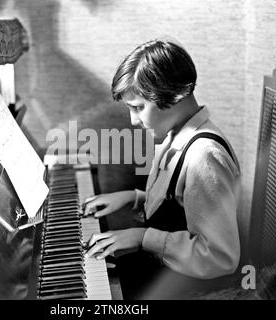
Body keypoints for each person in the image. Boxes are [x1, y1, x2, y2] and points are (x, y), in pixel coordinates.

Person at [83, 38, 242, 299]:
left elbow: (219, 257)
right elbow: (181, 205)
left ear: (172, 96)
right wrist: (133, 198)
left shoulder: (204, 157)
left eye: (138, 108)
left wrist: (143, 237)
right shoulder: (174, 134)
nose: (133, 120)